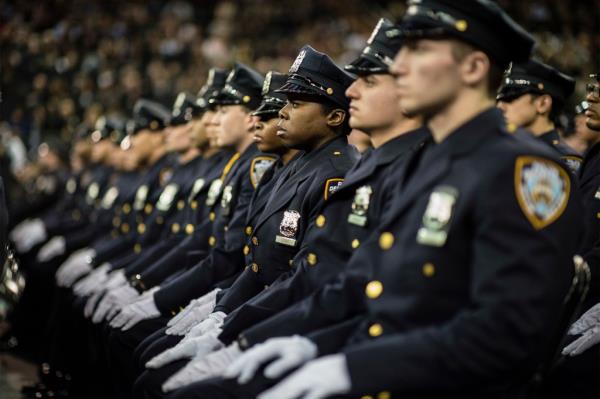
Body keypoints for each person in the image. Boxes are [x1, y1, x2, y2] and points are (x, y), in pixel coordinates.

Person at [171, 2, 584, 398]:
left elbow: (503, 336)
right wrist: (272, 341)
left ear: (473, 68)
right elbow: (363, 285)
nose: (399, 66)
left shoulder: (525, 172)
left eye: (417, 50)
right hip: (374, 360)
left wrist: (350, 367)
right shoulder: (420, 161)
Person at [496, 59, 582, 173]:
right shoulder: (505, 147)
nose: (501, 106)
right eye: (500, 98)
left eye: (511, 97)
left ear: (543, 104)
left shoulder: (563, 161)